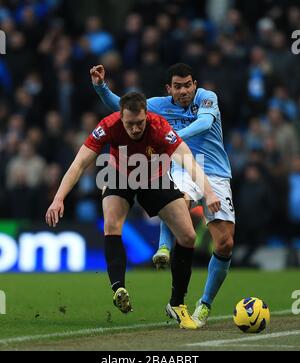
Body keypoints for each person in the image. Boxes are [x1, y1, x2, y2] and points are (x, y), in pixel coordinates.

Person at [45, 92, 221, 330]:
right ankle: (118, 287)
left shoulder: (159, 126)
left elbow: (188, 160)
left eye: (139, 123)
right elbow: (79, 164)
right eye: (130, 124)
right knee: (111, 223)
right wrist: (58, 198)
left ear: (147, 115)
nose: (135, 128)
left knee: (188, 236)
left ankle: (177, 303)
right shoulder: (109, 125)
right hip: (119, 175)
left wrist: (208, 192)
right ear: (121, 116)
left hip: (154, 178)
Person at [90, 63, 235, 328]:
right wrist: (100, 87)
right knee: (179, 200)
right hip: (182, 166)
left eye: (188, 84)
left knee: (224, 243)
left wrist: (173, 136)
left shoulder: (206, 97)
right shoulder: (156, 104)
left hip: (214, 171)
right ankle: (164, 248)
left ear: (194, 84)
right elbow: (119, 108)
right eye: (178, 86)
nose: (184, 91)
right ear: (169, 89)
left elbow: (204, 123)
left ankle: (204, 304)